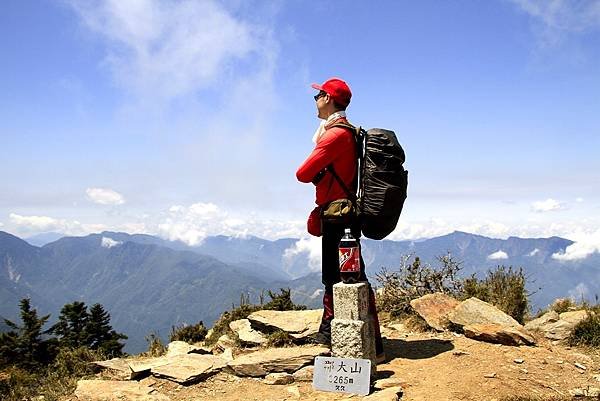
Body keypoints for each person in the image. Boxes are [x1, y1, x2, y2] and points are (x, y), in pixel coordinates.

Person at [296, 77, 384, 362]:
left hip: (338, 216)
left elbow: (303, 173)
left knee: (341, 277)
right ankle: (337, 334)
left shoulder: (335, 135)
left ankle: (354, 342)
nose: (315, 99)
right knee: (344, 276)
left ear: (329, 99)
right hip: (343, 214)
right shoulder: (346, 132)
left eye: (318, 94)